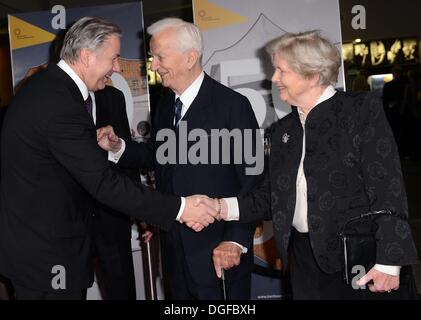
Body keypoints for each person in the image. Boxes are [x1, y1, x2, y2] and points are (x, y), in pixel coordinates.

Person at [0, 16, 217, 300]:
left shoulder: (51, 90)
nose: (117, 68)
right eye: (114, 58)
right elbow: (102, 182)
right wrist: (181, 208)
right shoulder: (58, 101)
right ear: (87, 56)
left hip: (46, 248)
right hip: (46, 256)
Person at [207, 30, 419, 299]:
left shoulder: (360, 111)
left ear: (312, 75)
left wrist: (389, 262)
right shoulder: (283, 131)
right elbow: (270, 196)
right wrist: (219, 206)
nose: (274, 79)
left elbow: (387, 186)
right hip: (304, 261)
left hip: (361, 258)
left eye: (282, 71)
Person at [97, 18, 260, 300]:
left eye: (159, 57)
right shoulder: (164, 106)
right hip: (174, 252)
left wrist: (234, 239)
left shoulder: (233, 106)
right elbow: (159, 157)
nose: (154, 65)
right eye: (152, 57)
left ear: (190, 58)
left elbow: (253, 180)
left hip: (219, 255)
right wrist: (118, 146)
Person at [92, 85, 148, 300]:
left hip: (112, 214)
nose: (115, 68)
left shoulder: (113, 97)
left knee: (121, 289)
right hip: (68, 218)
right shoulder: (57, 95)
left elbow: (126, 158)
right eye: (112, 59)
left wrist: (140, 210)